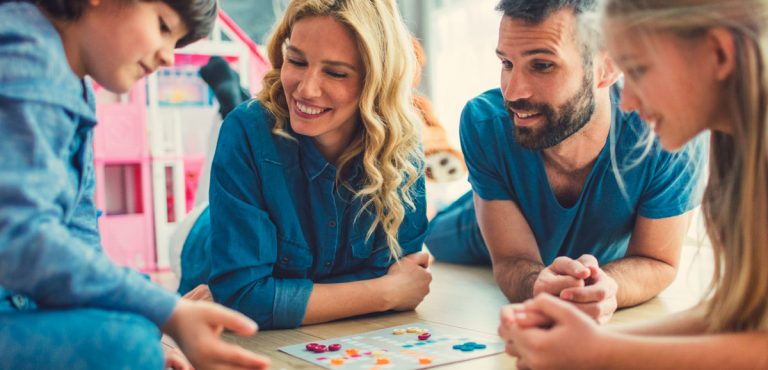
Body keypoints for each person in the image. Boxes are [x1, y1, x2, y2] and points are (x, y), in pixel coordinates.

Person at [0, 1, 270, 369]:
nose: (168, 58)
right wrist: (164, 309)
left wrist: (150, 315)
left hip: (21, 299)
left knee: (138, 329)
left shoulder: (75, 87)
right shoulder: (28, 54)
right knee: (130, 343)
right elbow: (19, 240)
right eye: (163, 26)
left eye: (176, 42)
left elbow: (80, 236)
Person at [498, 0, 768, 369]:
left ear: (719, 53)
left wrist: (600, 352)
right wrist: (585, 343)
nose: (627, 99)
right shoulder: (737, 148)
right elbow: (738, 314)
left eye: (639, 70)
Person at [426, 0, 706, 324]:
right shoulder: (484, 123)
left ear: (607, 67)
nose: (513, 92)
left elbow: (658, 261)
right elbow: (510, 259)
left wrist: (609, 287)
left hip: (596, 258)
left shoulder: (666, 132)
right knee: (432, 233)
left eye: (542, 65)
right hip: (478, 228)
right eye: (506, 63)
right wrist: (536, 285)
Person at [178, 0, 432, 330]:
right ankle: (229, 98)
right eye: (296, 61)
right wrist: (384, 293)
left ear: (376, 80)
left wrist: (270, 297)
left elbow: (406, 274)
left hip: (258, 209)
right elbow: (243, 298)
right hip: (199, 235)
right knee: (236, 127)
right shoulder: (246, 130)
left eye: (336, 72)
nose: (307, 89)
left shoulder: (402, 142)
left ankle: (230, 93)